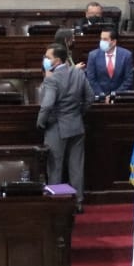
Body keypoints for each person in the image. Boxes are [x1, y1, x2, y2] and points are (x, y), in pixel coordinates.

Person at [36, 42, 91, 213]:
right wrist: (79, 114)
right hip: (76, 125)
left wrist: (40, 122)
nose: (45, 60)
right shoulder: (78, 73)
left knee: (55, 167)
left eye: (48, 57)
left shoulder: (52, 79)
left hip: (57, 128)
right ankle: (78, 202)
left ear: (57, 60)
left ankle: (57, 203)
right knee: (76, 167)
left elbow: (46, 105)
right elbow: (90, 98)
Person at [84, 26, 134, 99]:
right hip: (98, 96)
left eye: (105, 39)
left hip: (119, 97)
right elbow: (91, 79)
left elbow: (128, 79)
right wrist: (102, 95)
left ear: (114, 42)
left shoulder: (126, 55)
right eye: (101, 39)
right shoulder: (93, 55)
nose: (101, 42)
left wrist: (114, 95)